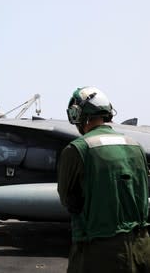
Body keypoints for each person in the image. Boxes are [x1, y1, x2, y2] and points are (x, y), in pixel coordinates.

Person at [57, 86, 150, 273]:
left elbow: (68, 199)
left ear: (78, 114)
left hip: (98, 252)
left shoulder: (77, 149)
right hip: (141, 250)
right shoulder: (136, 146)